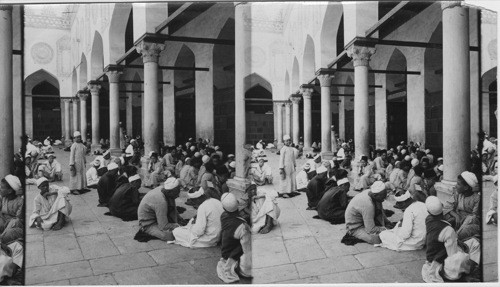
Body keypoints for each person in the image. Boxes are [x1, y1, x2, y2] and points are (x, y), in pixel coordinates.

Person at [421, 196, 480, 283]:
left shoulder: (428, 220)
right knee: (474, 244)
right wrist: (462, 249)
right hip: (441, 266)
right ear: (442, 206)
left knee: (470, 243)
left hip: (431, 259)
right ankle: (469, 272)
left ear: (428, 212)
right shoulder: (448, 230)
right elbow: (452, 255)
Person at [216, 192, 252, 283]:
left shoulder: (223, 216)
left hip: (225, 253)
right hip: (240, 263)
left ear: (224, 208)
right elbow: (247, 249)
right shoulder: (242, 226)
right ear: (237, 204)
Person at [443, 171, 480, 241]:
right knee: (447, 220)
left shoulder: (477, 198)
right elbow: (447, 207)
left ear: (466, 187)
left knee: (469, 221)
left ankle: (455, 237)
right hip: (458, 218)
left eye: (458, 184)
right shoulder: (458, 194)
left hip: (469, 223)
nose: (455, 186)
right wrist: (456, 216)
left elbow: (474, 217)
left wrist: (463, 220)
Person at [0, 175, 24, 244]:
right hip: (4, 221)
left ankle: (1, 239)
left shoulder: (20, 201)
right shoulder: (3, 197)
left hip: (15, 225)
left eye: (2, 187)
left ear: (9, 191)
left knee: (15, 221)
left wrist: (10, 221)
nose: (0, 188)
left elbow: (18, 220)